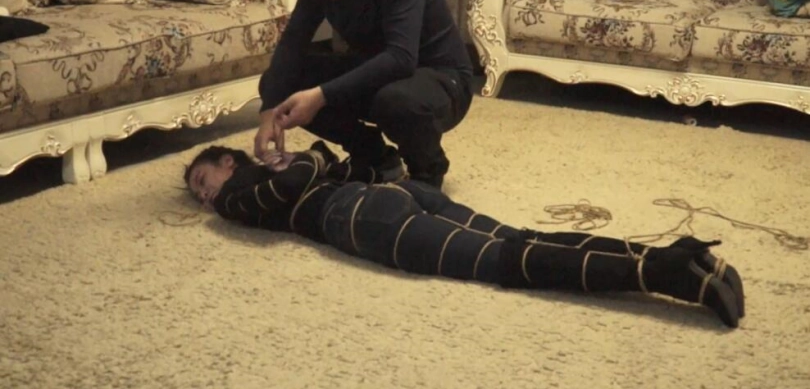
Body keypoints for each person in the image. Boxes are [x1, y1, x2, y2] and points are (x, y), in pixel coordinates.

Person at [183, 142, 746, 328]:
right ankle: (676, 266)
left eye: (203, 182)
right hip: (377, 210)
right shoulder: (237, 203)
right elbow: (303, 176)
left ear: (229, 161)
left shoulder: (246, 184)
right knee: (513, 248)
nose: (207, 199)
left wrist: (312, 158)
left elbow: (352, 165)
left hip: (369, 214)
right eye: (199, 195)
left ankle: (667, 266)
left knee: (510, 252)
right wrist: (311, 158)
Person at [254, 0, 475, 189]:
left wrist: (321, 96)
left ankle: (426, 173)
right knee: (277, 84)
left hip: (442, 79)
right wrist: (269, 112)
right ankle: (376, 157)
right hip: (380, 73)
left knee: (396, 101)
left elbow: (401, 58)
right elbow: (293, 43)